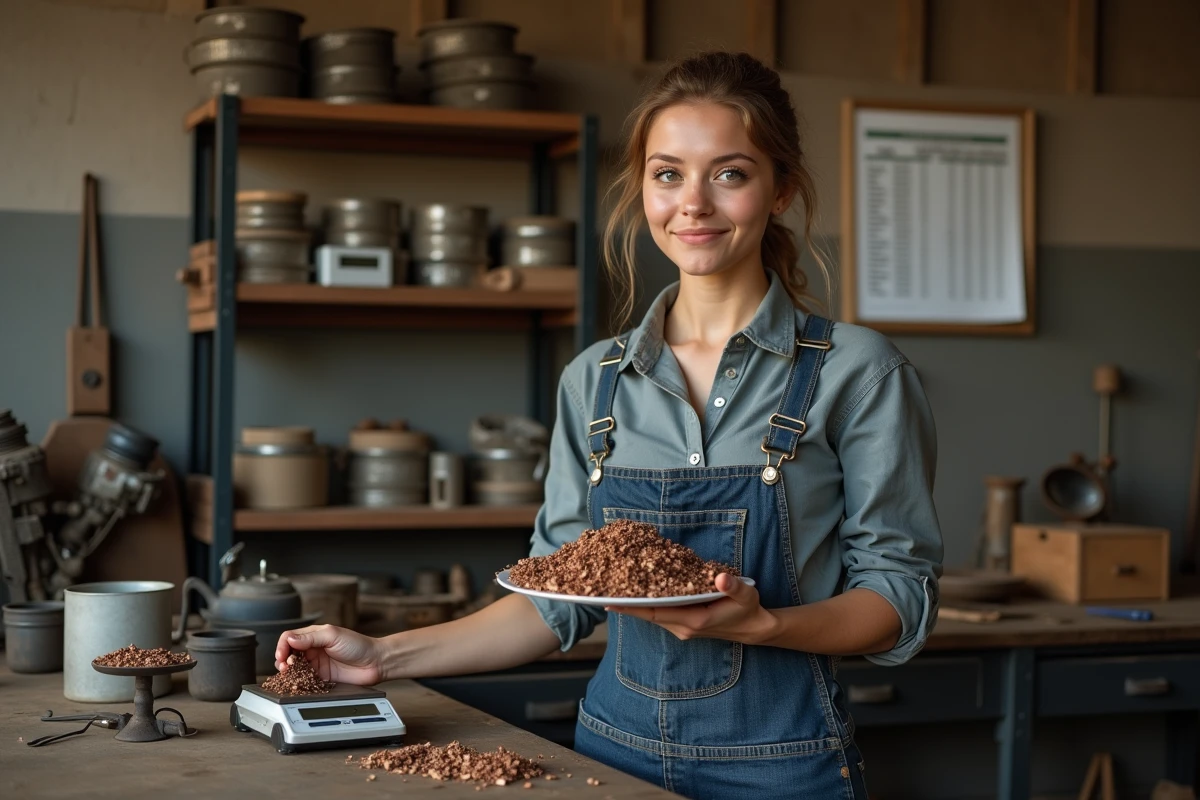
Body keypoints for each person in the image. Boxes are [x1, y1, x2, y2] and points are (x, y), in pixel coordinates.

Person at [273, 51, 942, 799]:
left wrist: (769, 627)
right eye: (668, 174)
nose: (693, 203)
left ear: (780, 188)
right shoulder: (594, 379)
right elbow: (555, 601)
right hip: (612, 758)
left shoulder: (858, 372)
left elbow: (898, 597)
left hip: (784, 768)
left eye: (729, 173)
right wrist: (382, 657)